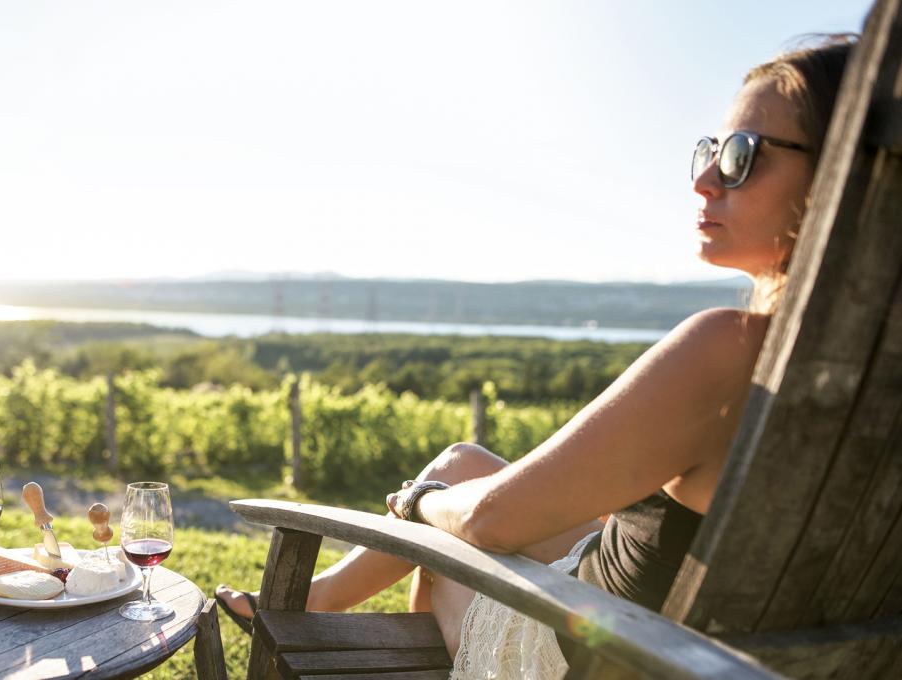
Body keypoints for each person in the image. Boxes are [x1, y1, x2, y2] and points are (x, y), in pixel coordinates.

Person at [216, 34, 856, 678]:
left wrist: (418, 505)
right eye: (710, 151)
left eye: (742, 155)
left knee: (449, 528)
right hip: (681, 627)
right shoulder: (855, 375)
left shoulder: (733, 347)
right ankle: (324, 595)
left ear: (840, 176)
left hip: (612, 649)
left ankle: (343, 610)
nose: (705, 179)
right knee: (466, 462)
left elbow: (489, 520)